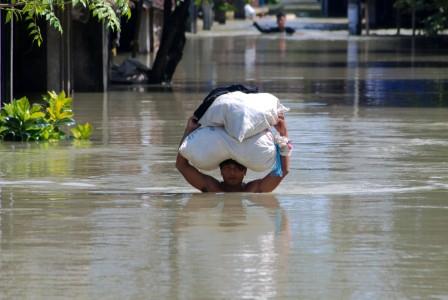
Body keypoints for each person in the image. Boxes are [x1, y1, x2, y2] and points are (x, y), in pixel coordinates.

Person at [176, 116, 291, 193]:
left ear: (245, 171)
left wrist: (283, 132)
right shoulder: (212, 187)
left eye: (238, 168)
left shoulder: (253, 189)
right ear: (220, 171)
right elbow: (181, 165)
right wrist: (188, 130)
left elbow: (283, 171)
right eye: (227, 168)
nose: (232, 172)